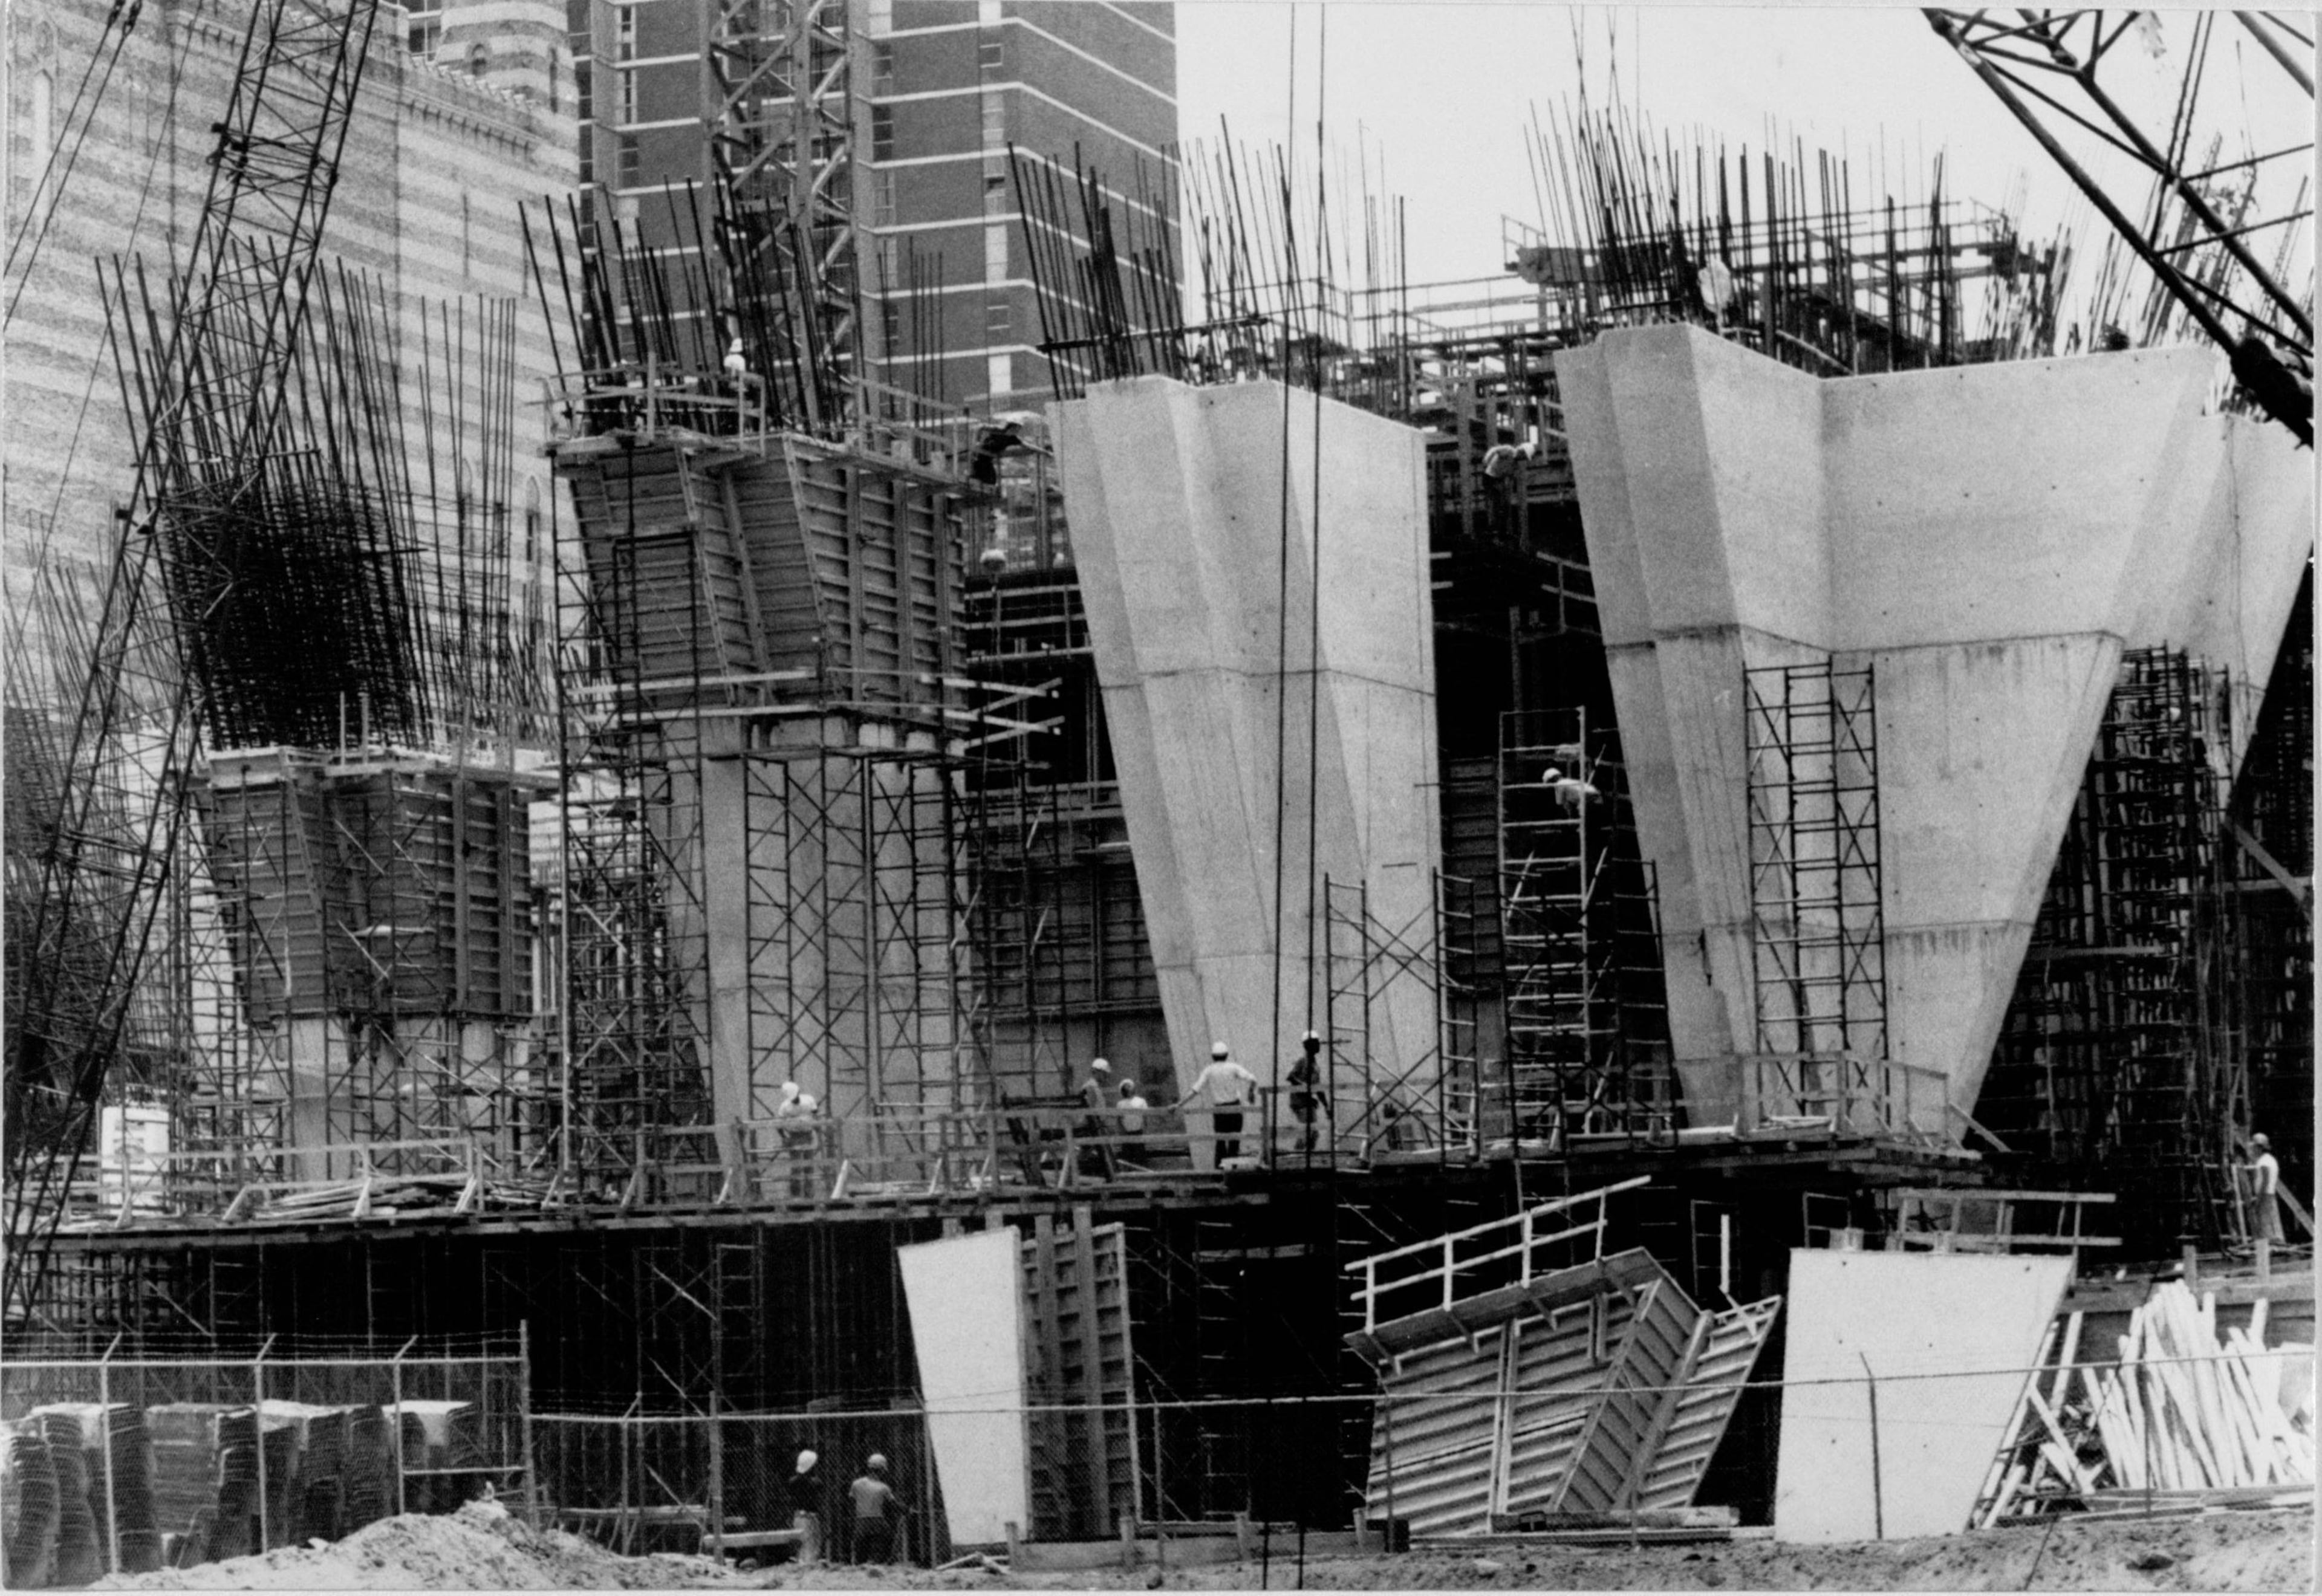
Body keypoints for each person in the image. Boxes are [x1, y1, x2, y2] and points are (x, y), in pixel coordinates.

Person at [1187, 1042, 1259, 1165]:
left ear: (1213, 1056)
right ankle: (1233, 1174)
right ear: (1227, 1055)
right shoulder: (1233, 1067)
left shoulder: (1209, 1070)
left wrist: (1179, 1105)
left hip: (1220, 1111)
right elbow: (1253, 1079)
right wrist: (1251, 1093)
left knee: (1220, 1143)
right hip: (1235, 1108)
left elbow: (1195, 1090)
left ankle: (1219, 1174)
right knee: (1234, 1143)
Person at [849, 1454, 902, 1565]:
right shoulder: (884, 1488)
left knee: (860, 1555)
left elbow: (852, 1502)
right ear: (882, 1470)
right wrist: (906, 1510)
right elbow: (894, 1505)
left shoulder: (856, 1484)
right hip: (878, 1522)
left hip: (861, 1522)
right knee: (880, 1550)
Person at [1286, 1030, 1328, 1156]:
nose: (1318, 1046)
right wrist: (1305, 1088)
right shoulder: (1302, 1061)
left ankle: (1307, 1156)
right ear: (1308, 1045)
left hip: (1308, 1102)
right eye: (1315, 1043)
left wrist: (1326, 1105)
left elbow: (1318, 1087)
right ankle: (1296, 1156)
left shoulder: (1315, 1064)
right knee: (1306, 1132)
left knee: (1313, 1133)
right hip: (1300, 1102)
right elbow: (1291, 1077)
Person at [1076, 1057, 1116, 1178]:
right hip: (1092, 1126)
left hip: (1095, 1125)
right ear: (1097, 1072)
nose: (1106, 1077)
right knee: (1089, 1151)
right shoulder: (1091, 1087)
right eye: (1104, 1074)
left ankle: (1081, 1174)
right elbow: (1090, 1108)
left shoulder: (1094, 1086)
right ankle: (1079, 1174)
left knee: (1089, 1152)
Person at [786, 1448, 822, 1564]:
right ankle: (808, 1565)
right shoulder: (816, 1483)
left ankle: (803, 1563)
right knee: (811, 1545)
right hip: (810, 1517)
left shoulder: (792, 1482)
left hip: (798, 1516)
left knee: (802, 1545)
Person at [2246, 1134, 2285, 1244]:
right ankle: (2270, 1244)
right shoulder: (2270, 1160)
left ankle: (2266, 1246)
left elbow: (2265, 1181)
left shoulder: (2264, 1161)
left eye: (2254, 1148)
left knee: (2263, 1222)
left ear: (2259, 1148)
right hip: (2269, 1194)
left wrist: (2259, 1198)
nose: (2253, 1150)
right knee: (2269, 1221)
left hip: (2265, 1194)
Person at [1115, 1076, 1149, 1163]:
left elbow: (1145, 1117)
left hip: (1138, 1133)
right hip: (1128, 1134)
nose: (1128, 1089)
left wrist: (1145, 1129)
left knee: (1139, 1156)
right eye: (1126, 1087)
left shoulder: (1141, 1101)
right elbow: (1119, 1120)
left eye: (1129, 1086)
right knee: (1128, 1157)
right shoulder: (1120, 1104)